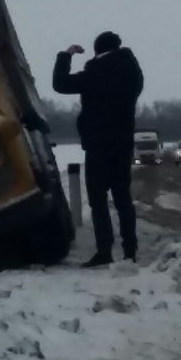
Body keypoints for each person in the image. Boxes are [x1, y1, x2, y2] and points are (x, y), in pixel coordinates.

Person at [52, 31, 144, 267]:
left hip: (99, 144)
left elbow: (60, 84)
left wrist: (67, 54)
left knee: (98, 199)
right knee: (123, 197)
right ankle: (130, 251)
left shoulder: (96, 73)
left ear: (98, 50)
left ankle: (104, 251)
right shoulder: (133, 72)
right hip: (123, 143)